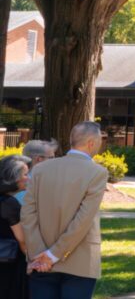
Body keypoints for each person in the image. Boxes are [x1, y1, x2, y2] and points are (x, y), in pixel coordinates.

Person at [21, 123, 107, 299]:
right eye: (100, 140)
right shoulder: (97, 172)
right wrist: (52, 255)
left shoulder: (40, 169)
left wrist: (40, 254)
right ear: (91, 142)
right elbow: (83, 219)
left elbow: (28, 214)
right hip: (79, 261)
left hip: (40, 259)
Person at [0, 155, 31, 297]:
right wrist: (32, 259)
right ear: (13, 178)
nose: (28, 178)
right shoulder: (9, 204)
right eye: (25, 174)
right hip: (8, 263)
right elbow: (22, 240)